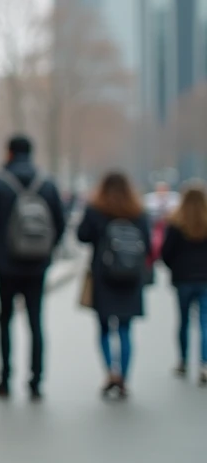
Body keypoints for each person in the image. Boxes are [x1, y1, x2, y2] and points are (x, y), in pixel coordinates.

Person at [0, 135, 66, 401]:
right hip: (37, 266)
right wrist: (46, 253)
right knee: (36, 322)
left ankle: (4, 378)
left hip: (7, 265)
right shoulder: (47, 183)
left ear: (9, 152)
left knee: (5, 321)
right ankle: (36, 380)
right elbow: (60, 224)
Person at [77, 171, 151, 400]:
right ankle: (124, 377)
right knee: (126, 329)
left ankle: (111, 372)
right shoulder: (138, 212)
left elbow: (82, 235)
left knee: (104, 328)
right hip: (131, 278)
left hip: (104, 276)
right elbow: (147, 244)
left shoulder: (96, 210)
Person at [161, 183, 207, 386]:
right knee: (205, 322)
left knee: (184, 321)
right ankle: (205, 363)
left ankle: (183, 360)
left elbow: (166, 252)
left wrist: (176, 268)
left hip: (183, 278)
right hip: (205, 279)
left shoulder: (176, 222)